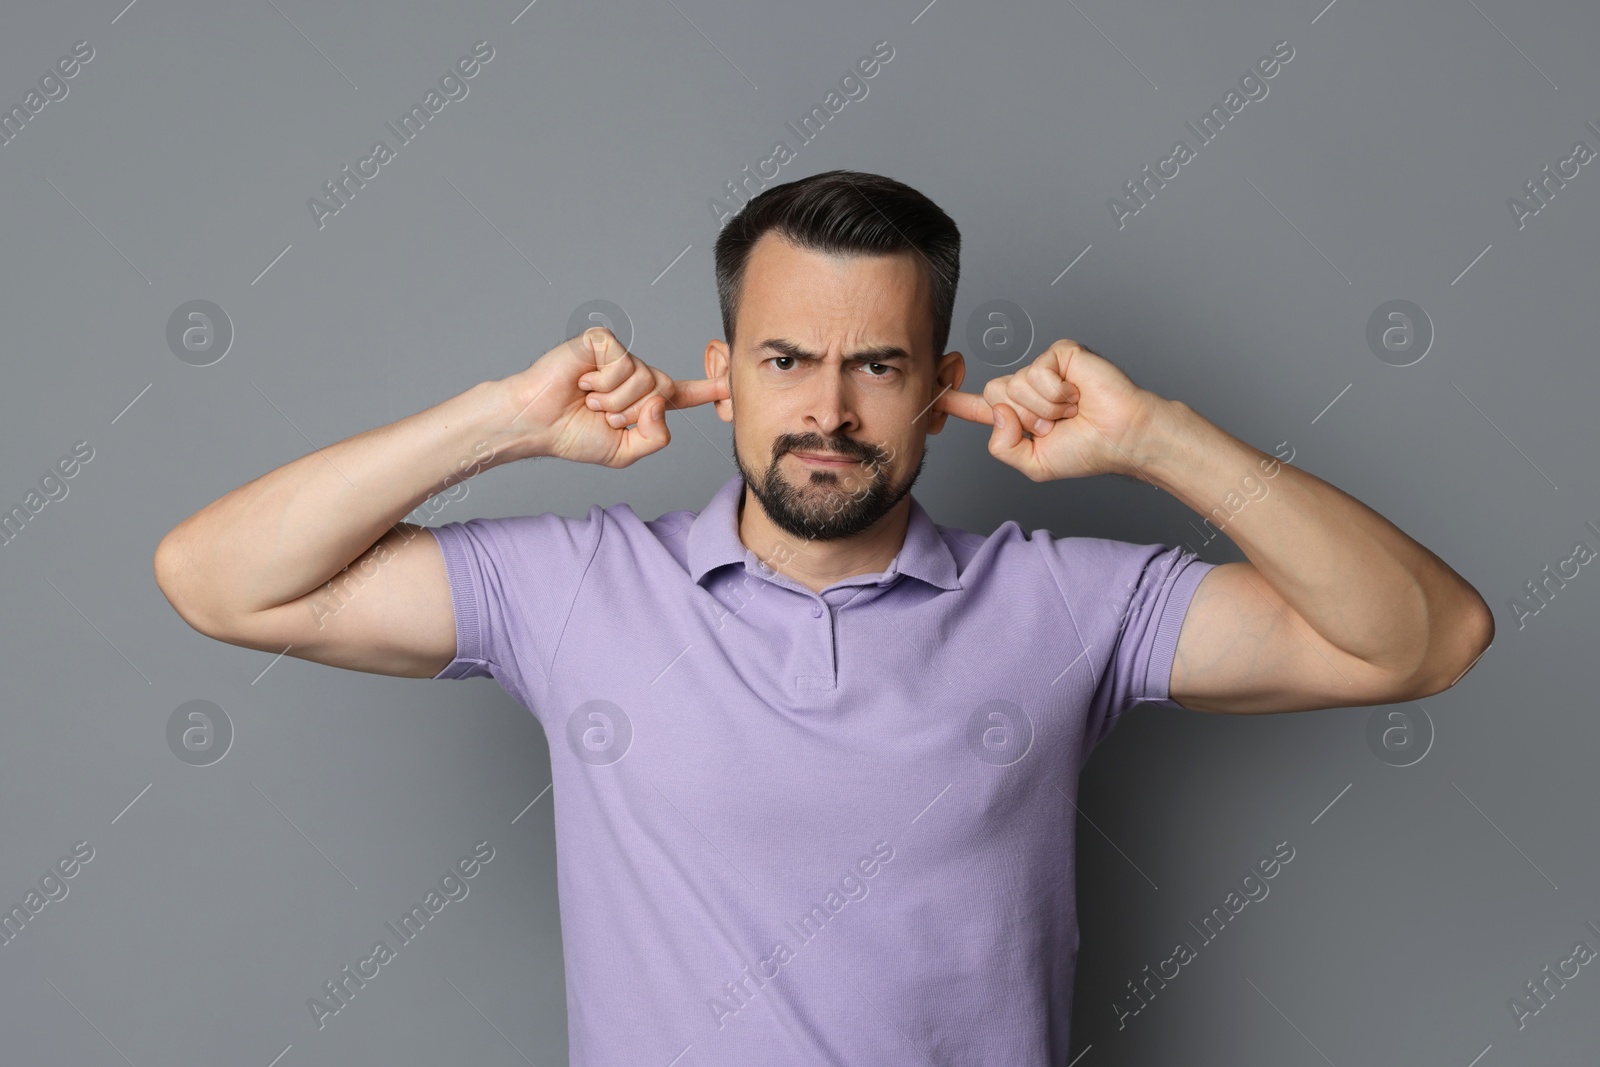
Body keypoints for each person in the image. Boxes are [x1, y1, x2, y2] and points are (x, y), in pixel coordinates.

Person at [153, 169, 1493, 1064]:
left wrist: (1161, 443)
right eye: (787, 361)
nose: (830, 414)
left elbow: (1428, 639)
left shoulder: (1065, 603)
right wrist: (502, 420)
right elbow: (217, 578)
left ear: (941, 387)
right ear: (722, 375)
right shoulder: (573, 592)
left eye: (879, 366)